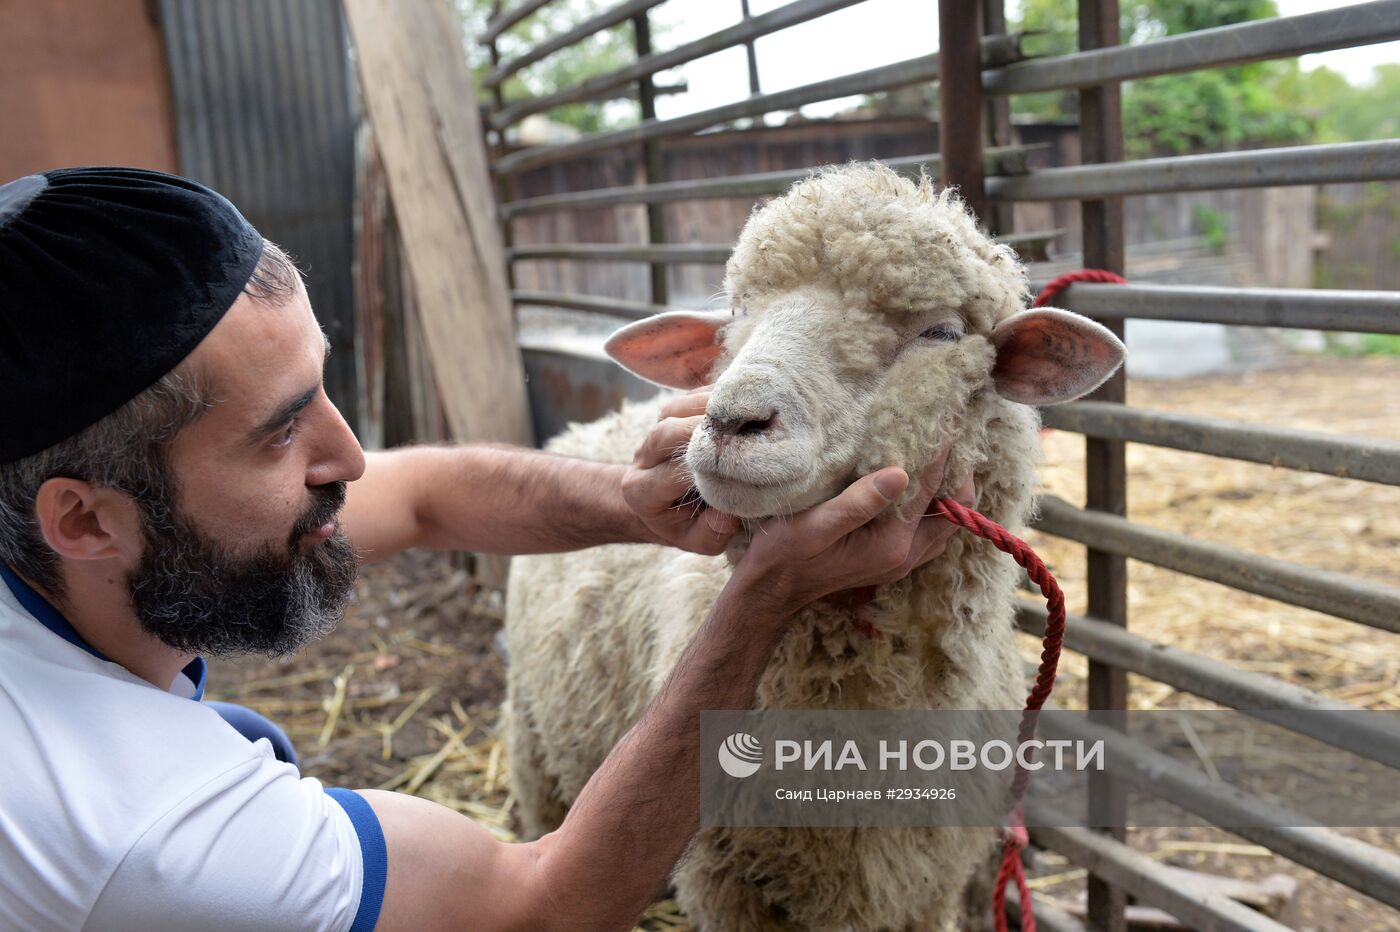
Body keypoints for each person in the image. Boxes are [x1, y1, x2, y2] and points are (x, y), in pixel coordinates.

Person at [0, 167, 971, 931]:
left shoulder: (46, 532)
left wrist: (635, 502)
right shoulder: (151, 837)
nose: (348, 456)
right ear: (83, 520)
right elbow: (542, 906)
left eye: (323, 389)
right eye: (279, 433)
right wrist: (759, 597)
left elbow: (419, 494)